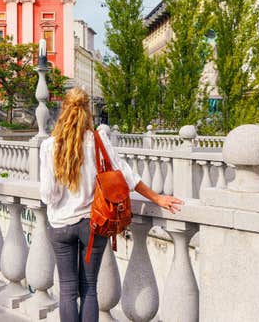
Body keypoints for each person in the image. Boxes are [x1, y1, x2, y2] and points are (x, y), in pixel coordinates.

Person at [39, 87, 183, 322]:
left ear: (63, 110)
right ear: (88, 111)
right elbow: (126, 176)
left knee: (66, 290)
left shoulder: (49, 146)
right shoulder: (98, 140)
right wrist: (157, 198)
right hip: (93, 225)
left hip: (60, 226)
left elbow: (48, 195)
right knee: (89, 288)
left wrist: (62, 197)